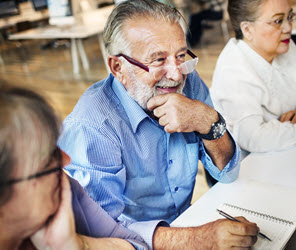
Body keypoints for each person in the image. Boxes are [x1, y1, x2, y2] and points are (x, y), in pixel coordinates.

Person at [59, 0, 259, 248]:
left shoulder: (190, 81)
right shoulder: (92, 127)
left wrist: (207, 120)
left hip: (187, 221)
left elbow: (228, 172)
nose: (176, 74)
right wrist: (199, 239)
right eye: (158, 60)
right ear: (117, 67)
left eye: (181, 56)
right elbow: (102, 234)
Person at [0, 87, 148, 250]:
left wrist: (77, 245)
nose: (66, 159)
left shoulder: (65, 190)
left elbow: (138, 244)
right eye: (49, 158)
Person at [210, 0, 296, 159]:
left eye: (290, 17)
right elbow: (254, 137)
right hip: (253, 168)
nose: (288, 28)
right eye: (278, 21)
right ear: (247, 29)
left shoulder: (285, 47)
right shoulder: (233, 70)